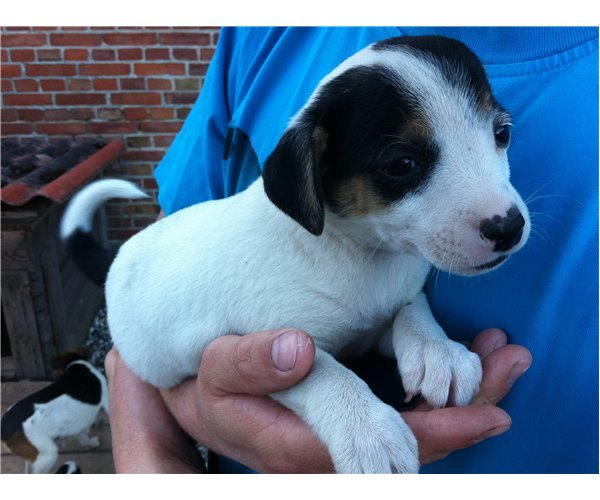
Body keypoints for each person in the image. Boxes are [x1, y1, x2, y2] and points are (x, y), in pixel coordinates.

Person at [106, 27, 598, 473]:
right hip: (148, 310)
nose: (501, 212)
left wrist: (419, 332)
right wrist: (346, 410)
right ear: (310, 177)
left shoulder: (393, 243)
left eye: (498, 134)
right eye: (402, 166)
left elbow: (391, 302)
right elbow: (283, 353)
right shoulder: (267, 33)